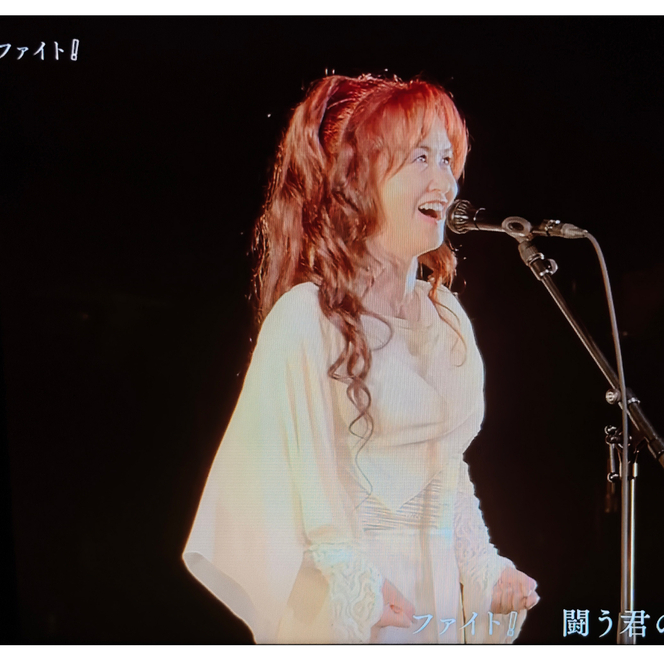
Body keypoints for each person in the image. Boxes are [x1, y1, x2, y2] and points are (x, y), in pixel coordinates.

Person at [182, 73, 540, 644]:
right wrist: (355, 582)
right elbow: (298, 479)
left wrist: (483, 566)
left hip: (431, 598)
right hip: (354, 606)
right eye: (420, 158)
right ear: (357, 178)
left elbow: (443, 468)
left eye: (447, 159)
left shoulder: (444, 318)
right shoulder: (308, 318)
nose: (444, 182)